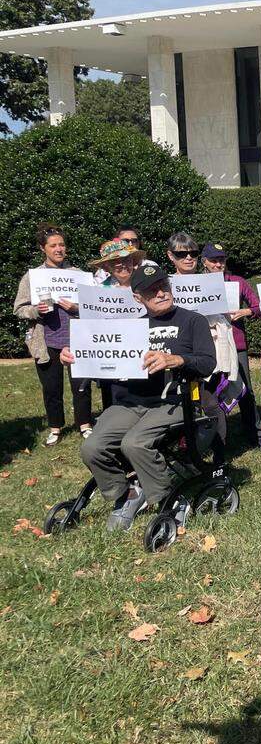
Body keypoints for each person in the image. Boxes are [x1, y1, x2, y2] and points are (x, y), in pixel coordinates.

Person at [66, 264, 215, 531]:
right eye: (151, 291)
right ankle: (127, 494)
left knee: (135, 443)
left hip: (175, 401)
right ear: (137, 297)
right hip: (132, 402)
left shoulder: (193, 321)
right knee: (92, 447)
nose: (160, 293)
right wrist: (78, 356)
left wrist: (177, 359)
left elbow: (207, 363)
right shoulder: (130, 328)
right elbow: (106, 364)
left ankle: (170, 500)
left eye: (163, 286)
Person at [13, 223, 93, 445]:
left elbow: (93, 307)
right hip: (46, 340)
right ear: (43, 248)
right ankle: (55, 427)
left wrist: (76, 308)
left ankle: (85, 424)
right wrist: (35, 310)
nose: (59, 249)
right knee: (51, 388)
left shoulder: (78, 275)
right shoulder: (33, 277)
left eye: (62, 244)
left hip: (77, 338)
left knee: (82, 386)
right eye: (53, 245)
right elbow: (19, 308)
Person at [201, 242, 261, 450]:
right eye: (213, 260)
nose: (218, 264)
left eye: (221, 260)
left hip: (236, 344)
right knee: (209, 393)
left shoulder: (237, 282)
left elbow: (260, 306)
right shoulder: (196, 284)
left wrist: (245, 312)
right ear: (204, 262)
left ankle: (256, 435)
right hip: (208, 345)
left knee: (245, 390)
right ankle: (216, 438)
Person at [91, 237, 147, 412]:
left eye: (127, 260)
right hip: (114, 356)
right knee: (116, 405)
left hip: (144, 354)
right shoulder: (99, 291)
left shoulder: (146, 285)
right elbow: (92, 326)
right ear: (107, 267)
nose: (123, 265)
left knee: (146, 402)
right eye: (116, 262)